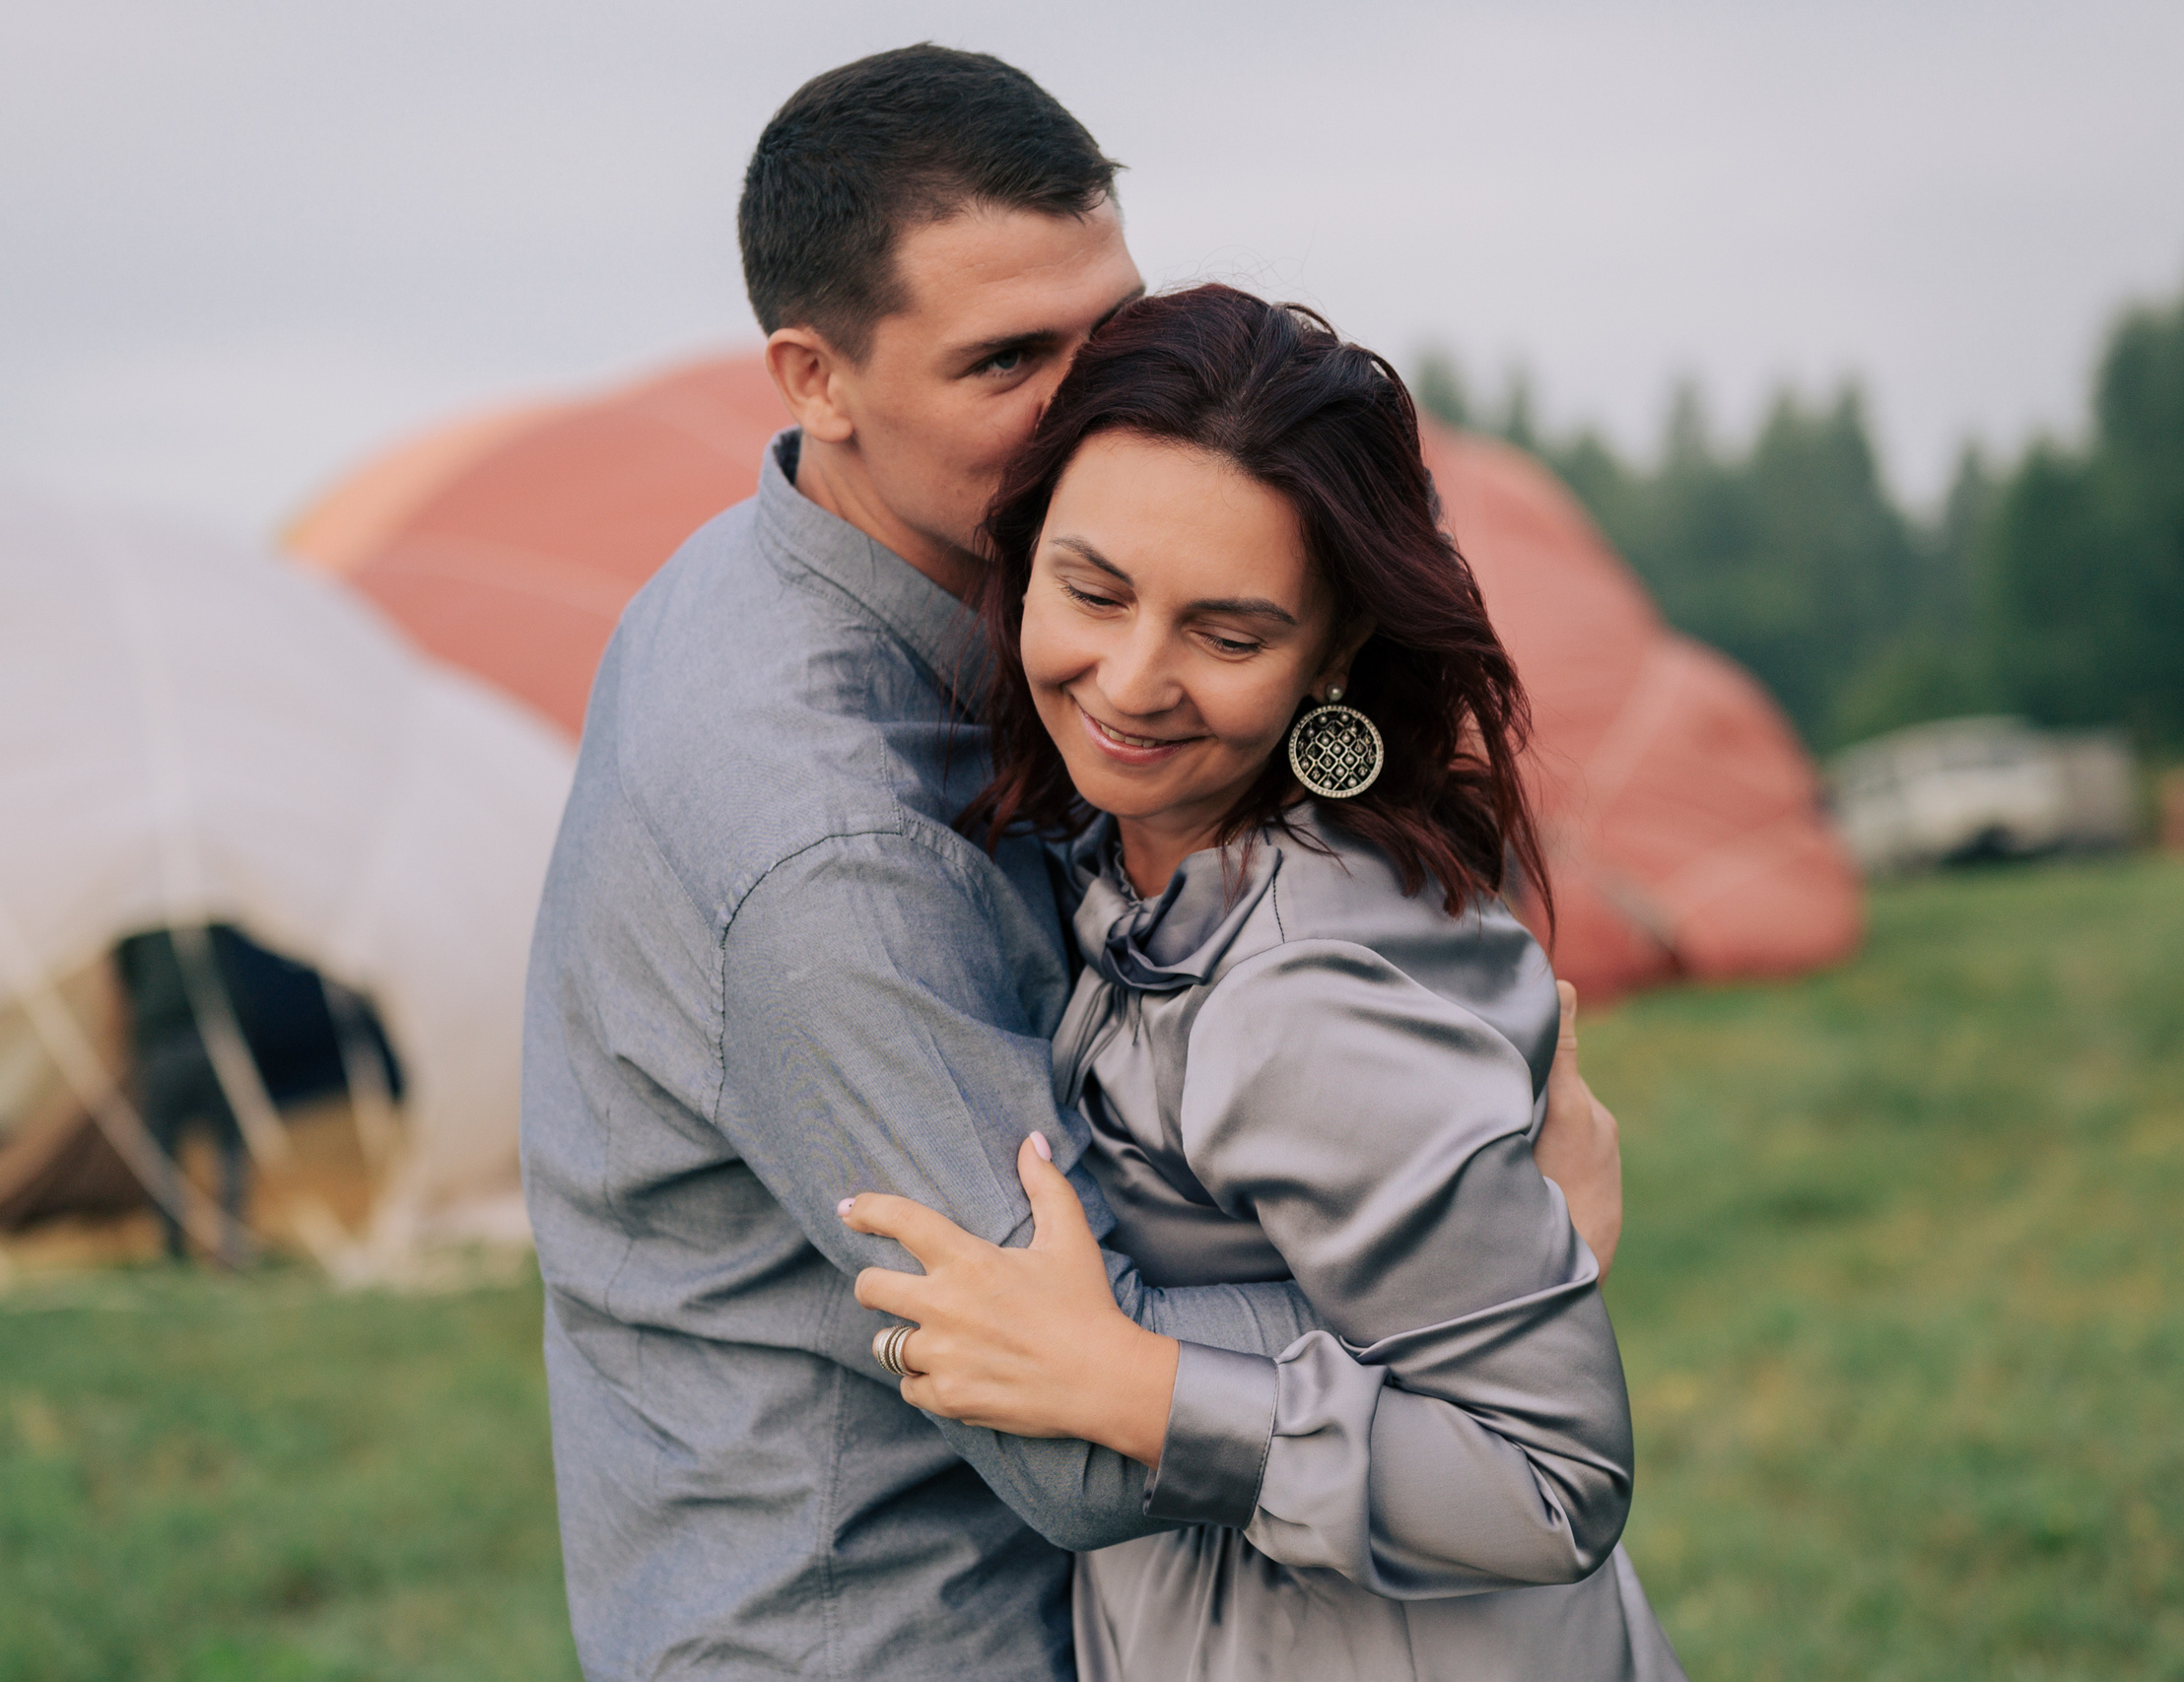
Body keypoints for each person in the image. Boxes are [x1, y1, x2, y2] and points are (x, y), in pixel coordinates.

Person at [520, 45, 1623, 1682]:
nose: (1084, 408)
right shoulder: (827, 844)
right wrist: (1499, 1240)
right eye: (1005, 361)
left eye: (1105, 332)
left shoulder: (823, 564)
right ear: (816, 381)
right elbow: (1073, 1432)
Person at [840, 285, 1681, 1679]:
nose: (1129, 678)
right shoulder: (1158, 859)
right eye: (1092, 590)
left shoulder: (1302, 991)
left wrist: (1133, 1385)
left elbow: (1552, 1473)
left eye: (1226, 636)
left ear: (1330, 655)